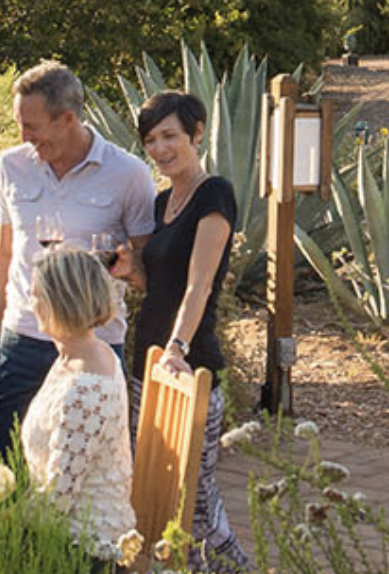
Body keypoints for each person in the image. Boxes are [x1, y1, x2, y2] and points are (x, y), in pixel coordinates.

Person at [0, 59, 158, 458]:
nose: (24, 136)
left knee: (88, 464)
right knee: (5, 460)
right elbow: (4, 251)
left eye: (32, 126)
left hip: (95, 345)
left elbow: (149, 266)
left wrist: (131, 269)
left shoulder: (128, 174)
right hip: (23, 337)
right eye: (19, 124)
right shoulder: (11, 166)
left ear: (67, 118)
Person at [115, 90, 249, 570]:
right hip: (144, 366)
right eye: (150, 140)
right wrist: (130, 270)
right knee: (155, 494)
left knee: (193, 501)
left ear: (197, 133)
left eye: (170, 135)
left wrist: (177, 348)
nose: (159, 148)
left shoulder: (215, 194)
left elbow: (200, 283)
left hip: (188, 366)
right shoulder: (161, 201)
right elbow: (161, 285)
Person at [18, 248, 137, 559]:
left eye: (36, 295)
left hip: (83, 550)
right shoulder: (88, 354)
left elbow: (58, 499)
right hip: (60, 533)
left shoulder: (86, 388)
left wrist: (0, 522)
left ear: (61, 303)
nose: (31, 304)